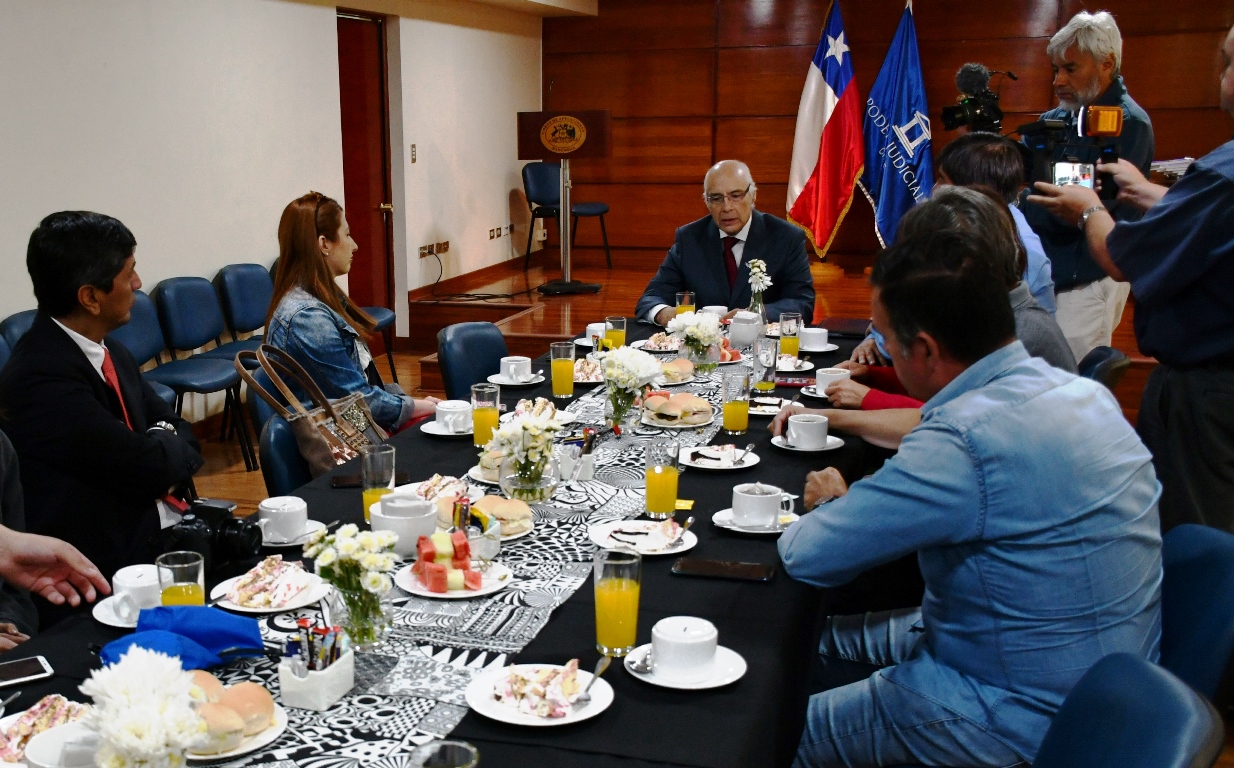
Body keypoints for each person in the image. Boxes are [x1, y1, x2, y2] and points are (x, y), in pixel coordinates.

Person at [776, 223, 1162, 767]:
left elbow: (805, 553)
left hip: (1011, 714)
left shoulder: (963, 439)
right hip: (1097, 688)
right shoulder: (1084, 396)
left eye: (885, 338)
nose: (879, 350)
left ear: (926, 350)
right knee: (795, 641)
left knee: (755, 731)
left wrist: (836, 498)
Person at [1025, 24, 1234, 532]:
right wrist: (1151, 194)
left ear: (1107, 65)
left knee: (1196, 538)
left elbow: (1126, 256)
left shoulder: (1203, 163)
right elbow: (1208, 223)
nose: (1220, 75)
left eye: (1227, 62)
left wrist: (1089, 209)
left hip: (1206, 396)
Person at [0, 212, 203, 618]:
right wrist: (163, 441)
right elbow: (150, 465)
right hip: (100, 578)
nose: (139, 284)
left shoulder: (106, 348)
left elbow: (183, 436)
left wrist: (160, 440)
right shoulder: (40, 376)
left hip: (152, 538)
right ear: (90, 297)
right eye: (129, 273)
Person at [820, 188, 1075, 433]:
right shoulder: (989, 316)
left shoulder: (1018, 334)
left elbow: (949, 421)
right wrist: (876, 377)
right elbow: (955, 392)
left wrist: (865, 401)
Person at [1018, 10, 1154, 363]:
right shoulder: (1054, 119)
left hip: (1087, 283)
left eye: (1070, 69)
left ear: (1107, 64)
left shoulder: (1128, 123)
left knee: (1070, 387)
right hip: (1045, 278)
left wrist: (1022, 202)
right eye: (1055, 70)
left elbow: (1075, 213)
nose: (1058, 81)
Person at [266, 192, 437, 433]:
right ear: (324, 244)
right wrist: (415, 407)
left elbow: (358, 395)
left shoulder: (320, 299)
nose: (354, 245)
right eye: (346, 234)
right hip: (346, 441)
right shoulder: (307, 318)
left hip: (356, 425)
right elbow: (359, 402)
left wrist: (412, 405)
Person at [634, 161, 815, 325]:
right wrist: (664, 313)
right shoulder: (690, 239)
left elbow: (802, 303)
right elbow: (651, 298)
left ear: (752, 196)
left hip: (765, 347)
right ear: (707, 202)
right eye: (717, 198)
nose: (727, 207)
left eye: (735, 196)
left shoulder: (786, 238)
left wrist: (755, 314)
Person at [936, 131, 1055, 313]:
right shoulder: (946, 222)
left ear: (970, 189)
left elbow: (1040, 332)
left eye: (942, 179)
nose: (935, 188)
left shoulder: (1028, 256)